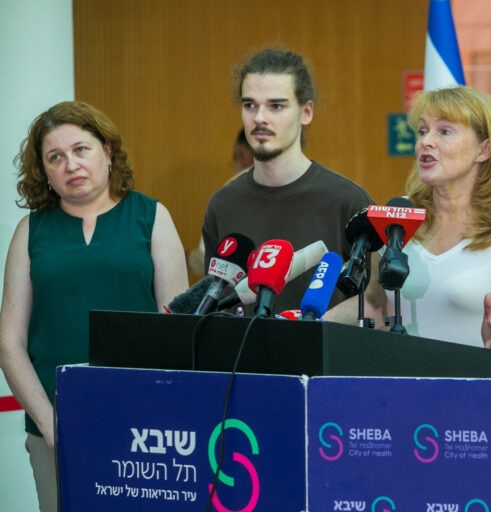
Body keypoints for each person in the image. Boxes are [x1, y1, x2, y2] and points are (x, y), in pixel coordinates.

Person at [0, 100, 189, 511]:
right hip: (55, 427)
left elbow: (176, 329)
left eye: (81, 149)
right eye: (56, 157)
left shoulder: (151, 217)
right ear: (45, 171)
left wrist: (154, 412)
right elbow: (9, 343)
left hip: (144, 424)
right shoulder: (30, 231)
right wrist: (52, 425)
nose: (70, 164)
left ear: (106, 150)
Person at [329, 86, 491, 369]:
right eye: (423, 131)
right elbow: (376, 306)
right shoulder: (398, 215)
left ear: (484, 149)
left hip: (478, 400)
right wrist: (311, 324)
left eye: (444, 132)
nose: (426, 142)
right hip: (402, 396)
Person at [201, 47, 375, 314]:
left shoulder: (348, 202)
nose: (259, 118)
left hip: (322, 354)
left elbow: (376, 306)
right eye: (250, 105)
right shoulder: (222, 204)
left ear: (306, 112)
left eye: (276, 106)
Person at [187, 128, 255, 277]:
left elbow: (205, 257)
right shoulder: (298, 182)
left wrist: (182, 259)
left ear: (243, 155)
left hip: (239, 291)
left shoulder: (232, 189)